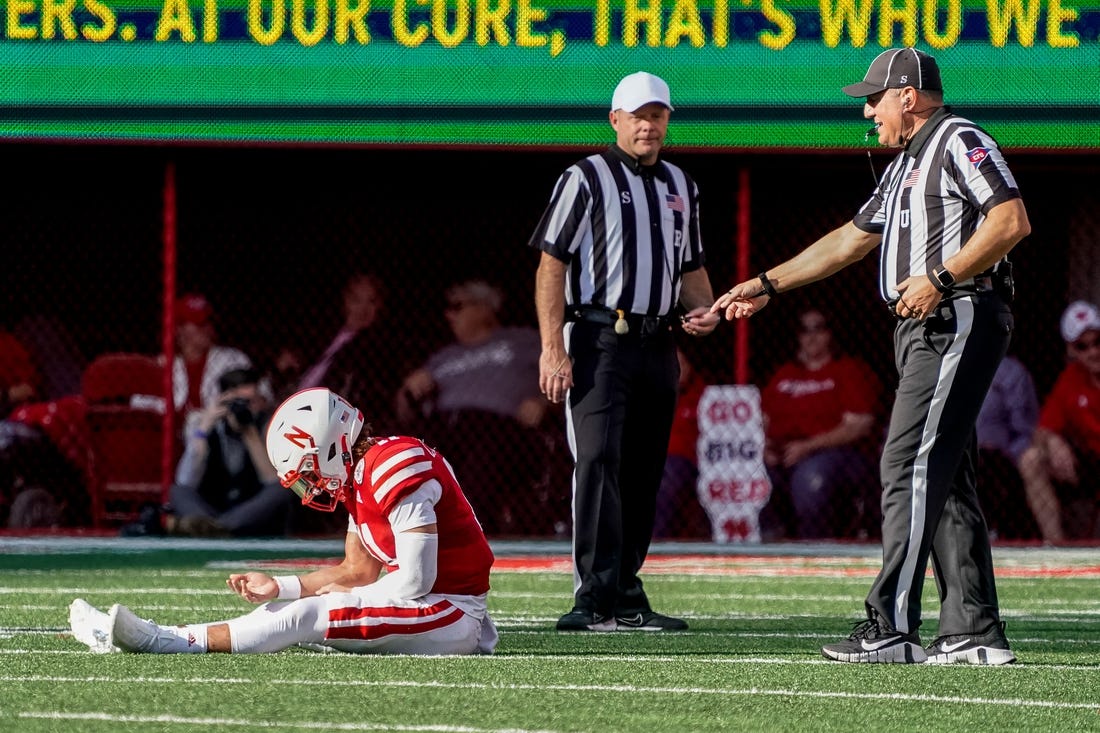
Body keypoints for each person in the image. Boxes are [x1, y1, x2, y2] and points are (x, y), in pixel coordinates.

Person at [712, 48, 1030, 664]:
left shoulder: (958, 139)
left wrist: (940, 275)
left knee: (905, 461)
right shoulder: (904, 164)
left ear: (906, 95)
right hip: (928, 319)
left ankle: (890, 624)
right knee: (943, 474)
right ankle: (972, 630)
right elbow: (850, 242)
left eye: (874, 97)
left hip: (954, 311)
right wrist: (766, 283)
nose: (867, 110)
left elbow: (1010, 220)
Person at [69, 387, 498, 656]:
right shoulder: (359, 476)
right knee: (295, 606)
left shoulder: (394, 464)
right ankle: (162, 634)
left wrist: (326, 596)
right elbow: (357, 571)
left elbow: (415, 582)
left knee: (306, 616)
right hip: (427, 605)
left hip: (452, 614)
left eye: (308, 471)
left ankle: (157, 642)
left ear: (331, 448)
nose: (308, 485)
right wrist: (282, 585)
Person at [528, 71, 720, 631]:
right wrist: (551, 348)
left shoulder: (681, 184)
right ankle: (591, 593)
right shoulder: (585, 177)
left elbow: (691, 266)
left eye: (657, 114)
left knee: (643, 469)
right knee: (597, 461)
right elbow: (551, 263)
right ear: (615, 120)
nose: (648, 124)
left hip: (657, 341)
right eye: (638, 115)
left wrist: (705, 311)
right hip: (599, 336)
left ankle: (626, 591)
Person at [395, 279, 547, 535]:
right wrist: (408, 389)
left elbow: (561, 378)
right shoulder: (442, 356)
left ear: (484, 308)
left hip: (501, 428)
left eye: (457, 306)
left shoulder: (522, 340)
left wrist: (543, 402)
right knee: (414, 452)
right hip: (445, 427)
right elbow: (402, 409)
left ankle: (468, 535)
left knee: (482, 453)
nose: (449, 314)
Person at [758, 308, 881, 540]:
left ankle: (813, 548)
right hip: (785, 453)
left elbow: (859, 425)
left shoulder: (846, 370)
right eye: (804, 330)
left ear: (830, 334)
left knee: (812, 475)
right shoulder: (785, 374)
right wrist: (766, 447)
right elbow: (763, 420)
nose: (811, 336)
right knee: (757, 477)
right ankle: (768, 552)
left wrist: (808, 447)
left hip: (836, 455)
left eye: (818, 328)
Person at [165, 367, 292, 537]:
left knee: (281, 490)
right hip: (213, 506)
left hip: (249, 510)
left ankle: (217, 528)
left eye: (251, 402)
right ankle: (216, 527)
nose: (245, 408)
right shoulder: (201, 422)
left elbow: (270, 479)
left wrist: (249, 433)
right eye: (240, 403)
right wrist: (204, 428)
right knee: (177, 491)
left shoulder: (269, 425)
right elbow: (186, 479)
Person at [1018, 301, 1100, 542]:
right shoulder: (1070, 379)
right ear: (1072, 351)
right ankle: (1055, 546)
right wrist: (1053, 441)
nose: (1093, 351)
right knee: (1031, 459)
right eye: (1082, 346)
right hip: (1091, 464)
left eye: (1098, 342)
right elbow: (1042, 430)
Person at [292, 273, 404, 436]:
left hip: (319, 421)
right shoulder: (324, 334)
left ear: (380, 306)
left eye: (371, 302)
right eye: (357, 300)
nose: (363, 310)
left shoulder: (376, 348)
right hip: (289, 402)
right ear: (345, 301)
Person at [975, 354, 1041, 540]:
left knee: (987, 462)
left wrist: (1004, 454)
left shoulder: (1011, 372)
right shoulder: (935, 366)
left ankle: (992, 534)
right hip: (950, 454)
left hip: (996, 461)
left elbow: (1025, 431)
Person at [171, 293, 255, 425]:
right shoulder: (163, 365)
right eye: (199, 324)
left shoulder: (233, 360)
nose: (207, 329)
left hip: (217, 432)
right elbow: (142, 404)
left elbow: (259, 399)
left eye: (208, 322)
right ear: (179, 329)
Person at [653, 347, 709, 540]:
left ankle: (656, 538)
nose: (675, 369)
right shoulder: (652, 393)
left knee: (666, 476)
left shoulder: (703, 394)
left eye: (681, 364)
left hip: (686, 462)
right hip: (653, 458)